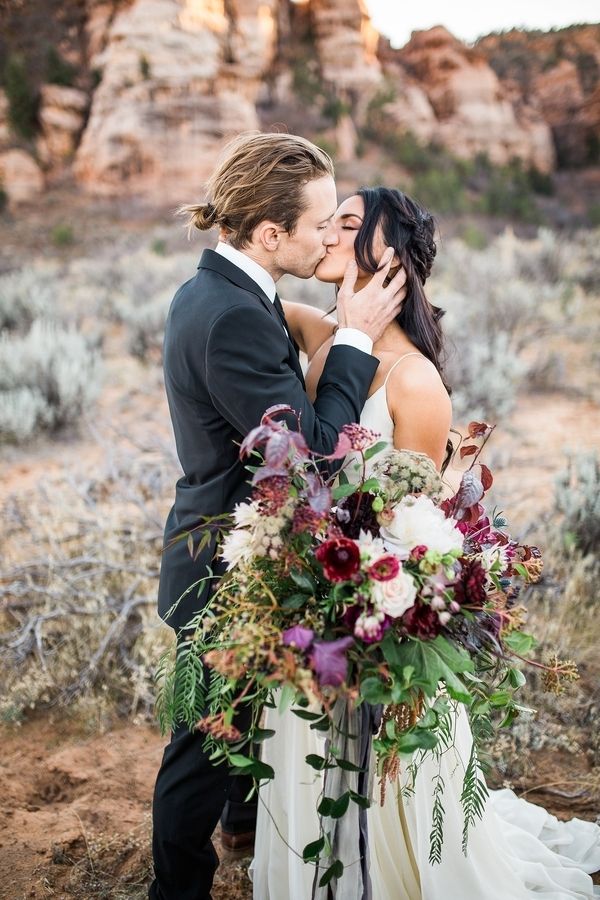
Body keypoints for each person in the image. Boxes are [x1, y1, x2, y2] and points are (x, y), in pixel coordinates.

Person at [251, 187, 600, 899]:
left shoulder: (416, 383)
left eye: (347, 224)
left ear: (391, 258)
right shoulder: (323, 338)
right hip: (311, 610)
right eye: (327, 221)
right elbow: (256, 298)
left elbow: (420, 534)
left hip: (376, 618)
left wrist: (367, 605)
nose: (326, 234)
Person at [149, 136, 407, 900]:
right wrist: (356, 333)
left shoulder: (230, 292)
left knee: (242, 720)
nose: (333, 236)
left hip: (237, 554)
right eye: (322, 222)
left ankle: (242, 825)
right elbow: (316, 453)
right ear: (269, 233)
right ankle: (177, 890)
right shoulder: (230, 315)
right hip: (219, 568)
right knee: (198, 746)